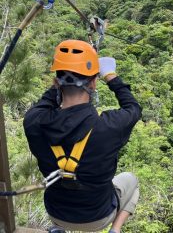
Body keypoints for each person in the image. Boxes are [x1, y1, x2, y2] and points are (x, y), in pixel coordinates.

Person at [23, 39, 142, 233]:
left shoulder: (34, 121)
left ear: (56, 82)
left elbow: (46, 102)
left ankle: (60, 228)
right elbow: (134, 108)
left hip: (56, 213)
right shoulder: (110, 127)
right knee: (132, 180)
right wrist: (110, 75)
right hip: (98, 217)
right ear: (94, 83)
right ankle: (115, 230)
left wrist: (60, 81)